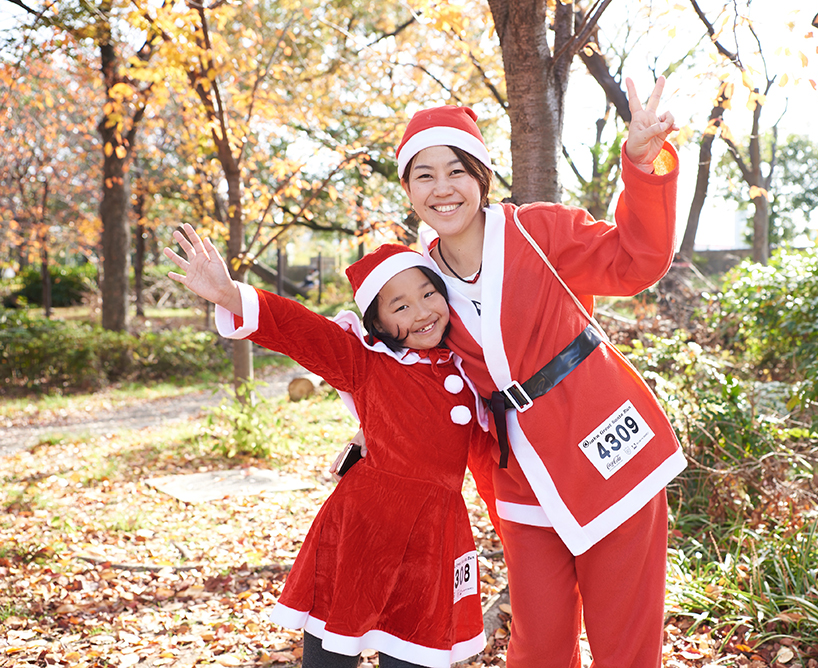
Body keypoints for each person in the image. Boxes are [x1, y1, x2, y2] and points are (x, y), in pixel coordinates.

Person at [392, 76, 687, 667]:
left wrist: (639, 161)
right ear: (408, 189)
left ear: (480, 178)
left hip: (606, 448)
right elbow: (410, 372)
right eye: (423, 175)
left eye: (456, 170)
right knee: (538, 647)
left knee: (624, 644)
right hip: (521, 476)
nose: (442, 188)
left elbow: (635, 261)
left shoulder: (537, 230)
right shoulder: (415, 277)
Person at [164, 232, 498, 668]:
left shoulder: (471, 362)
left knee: (415, 648)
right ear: (377, 325)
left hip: (436, 535)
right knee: (333, 647)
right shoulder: (367, 363)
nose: (421, 313)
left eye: (429, 294)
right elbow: (302, 330)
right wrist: (230, 294)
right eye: (400, 307)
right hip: (364, 528)